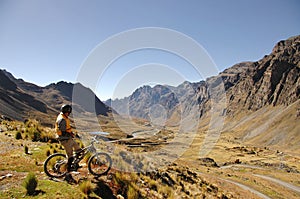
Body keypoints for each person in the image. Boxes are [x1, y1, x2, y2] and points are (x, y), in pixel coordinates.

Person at [55, 104, 81, 183]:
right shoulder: (62, 120)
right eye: (68, 112)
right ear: (66, 111)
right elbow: (62, 132)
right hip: (65, 140)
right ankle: (68, 172)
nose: (69, 113)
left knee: (78, 149)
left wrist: (71, 134)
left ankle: (75, 163)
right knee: (70, 156)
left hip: (68, 138)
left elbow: (66, 129)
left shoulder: (64, 117)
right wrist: (70, 134)